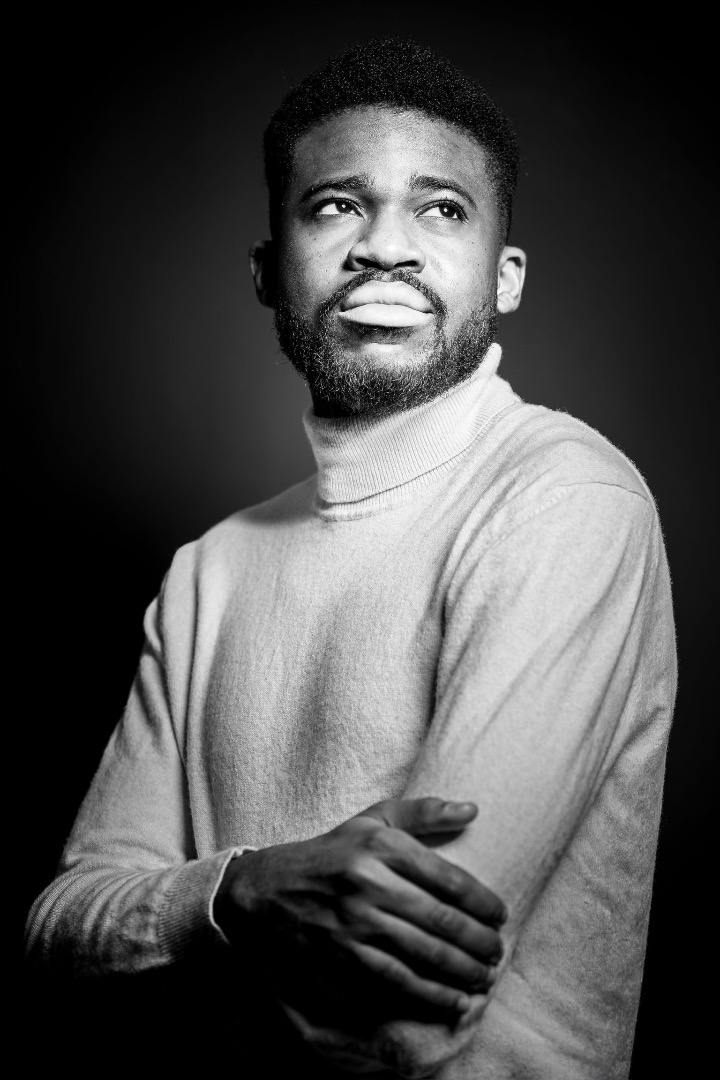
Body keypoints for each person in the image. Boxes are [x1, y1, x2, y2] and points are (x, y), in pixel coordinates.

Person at [25, 38, 676, 1079]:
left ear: (505, 277)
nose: (386, 248)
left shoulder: (566, 501)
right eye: (336, 206)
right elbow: (60, 932)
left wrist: (175, 947)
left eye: (441, 209)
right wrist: (242, 890)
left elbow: (390, 1024)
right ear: (267, 271)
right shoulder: (208, 572)